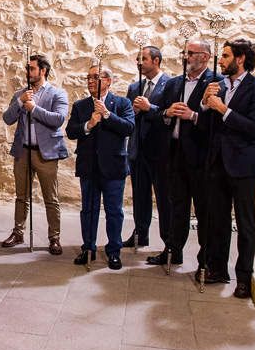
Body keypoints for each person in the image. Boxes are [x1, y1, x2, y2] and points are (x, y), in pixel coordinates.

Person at [201, 39, 255, 298]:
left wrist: (222, 108)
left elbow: (253, 127)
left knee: (244, 223)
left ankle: (243, 277)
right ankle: (218, 269)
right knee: (217, 220)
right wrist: (205, 101)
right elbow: (208, 121)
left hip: (243, 164)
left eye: (225, 56)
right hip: (218, 163)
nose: (220, 61)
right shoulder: (219, 85)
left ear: (240, 59)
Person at [146, 40, 221, 269]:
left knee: (202, 208)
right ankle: (172, 250)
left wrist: (194, 116)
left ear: (205, 57)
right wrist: (168, 113)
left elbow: (215, 122)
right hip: (175, 152)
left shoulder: (215, 83)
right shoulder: (174, 83)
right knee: (176, 206)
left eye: (190, 53)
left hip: (200, 155)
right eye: (184, 53)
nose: (185, 57)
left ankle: (205, 260)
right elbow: (159, 112)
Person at [66, 66, 134, 270]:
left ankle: (114, 251)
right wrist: (89, 124)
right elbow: (71, 132)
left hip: (113, 166)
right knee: (88, 210)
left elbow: (128, 127)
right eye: (88, 77)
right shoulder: (80, 106)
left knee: (114, 211)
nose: (90, 81)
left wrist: (106, 115)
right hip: (89, 165)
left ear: (108, 81)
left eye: (96, 77)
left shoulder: (122, 103)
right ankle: (88, 248)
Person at [0, 54, 69, 255]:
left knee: (51, 198)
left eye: (32, 68)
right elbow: (7, 118)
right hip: (23, 152)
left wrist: (34, 108)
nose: (28, 72)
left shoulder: (57, 94)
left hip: (45, 153)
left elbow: (58, 119)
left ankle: (54, 237)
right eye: (27, 68)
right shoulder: (21, 94)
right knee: (21, 196)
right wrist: (21, 103)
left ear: (43, 71)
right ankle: (18, 231)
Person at [124, 45, 171, 250]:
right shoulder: (135, 87)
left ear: (156, 61)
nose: (139, 62)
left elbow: (170, 113)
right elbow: (128, 118)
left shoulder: (170, 84)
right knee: (140, 196)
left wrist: (149, 108)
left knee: (164, 199)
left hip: (160, 151)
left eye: (143, 58)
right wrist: (133, 111)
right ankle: (140, 233)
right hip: (138, 150)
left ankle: (169, 241)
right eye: (138, 59)